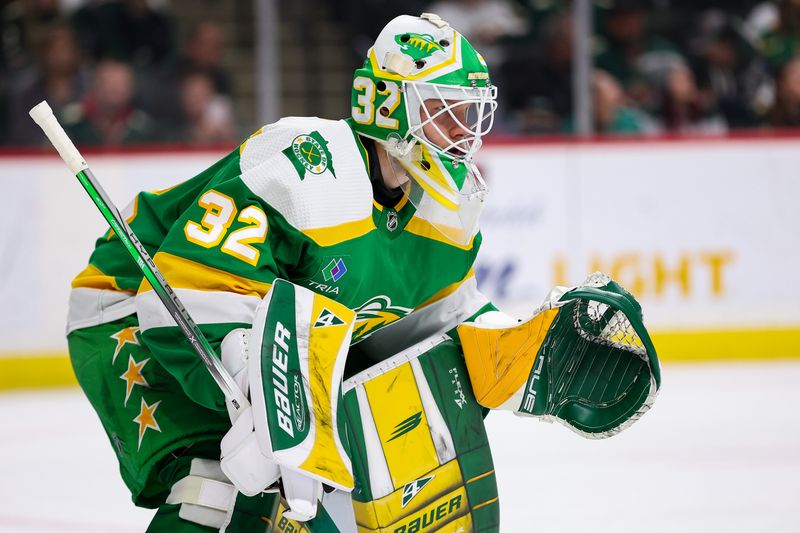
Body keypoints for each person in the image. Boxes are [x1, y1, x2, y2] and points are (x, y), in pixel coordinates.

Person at [65, 13, 660, 532]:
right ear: (388, 106)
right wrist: (264, 394)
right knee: (216, 487)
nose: (464, 135)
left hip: (282, 339)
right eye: (445, 114)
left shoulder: (449, 207)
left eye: (471, 116)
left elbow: (434, 328)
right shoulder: (307, 162)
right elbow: (194, 291)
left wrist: (518, 351)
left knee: (346, 498)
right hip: (137, 309)